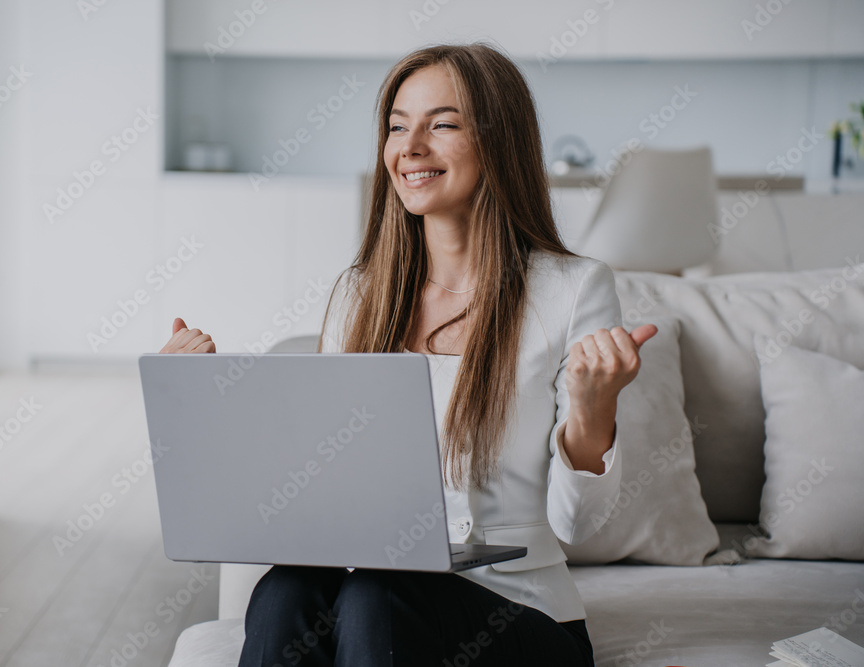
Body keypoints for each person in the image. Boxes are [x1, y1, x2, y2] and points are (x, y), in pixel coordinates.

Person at [160, 42, 657, 667]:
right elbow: (317, 490)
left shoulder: (573, 288)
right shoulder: (358, 294)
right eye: (397, 127)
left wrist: (593, 410)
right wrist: (198, 405)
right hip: (372, 603)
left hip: (522, 614)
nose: (410, 147)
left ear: (499, 141)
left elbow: (577, 526)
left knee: (378, 594)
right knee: (286, 589)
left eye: (441, 125)